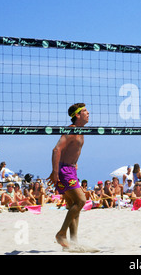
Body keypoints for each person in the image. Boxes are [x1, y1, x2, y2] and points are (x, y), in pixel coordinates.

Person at [47, 102, 89, 248]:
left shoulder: (81, 131)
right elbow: (56, 150)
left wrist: (74, 165)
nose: (88, 113)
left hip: (70, 170)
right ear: (77, 115)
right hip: (64, 171)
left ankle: (74, 242)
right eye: (85, 111)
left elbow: (71, 152)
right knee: (81, 201)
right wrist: (55, 172)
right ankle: (61, 233)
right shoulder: (71, 131)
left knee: (73, 206)